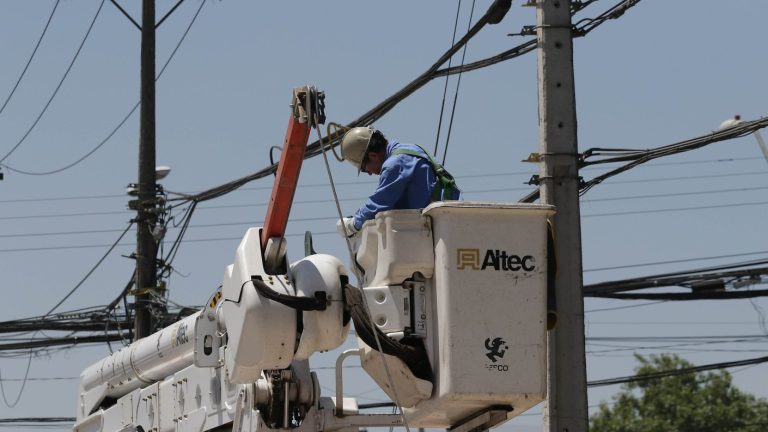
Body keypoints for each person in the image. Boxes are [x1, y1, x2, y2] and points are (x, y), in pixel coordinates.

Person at [337, 126, 461, 236]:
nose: (369, 173)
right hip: (449, 218)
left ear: (373, 156)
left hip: (440, 227)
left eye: (364, 169)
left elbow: (379, 203)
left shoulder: (394, 164)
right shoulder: (410, 149)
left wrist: (353, 224)